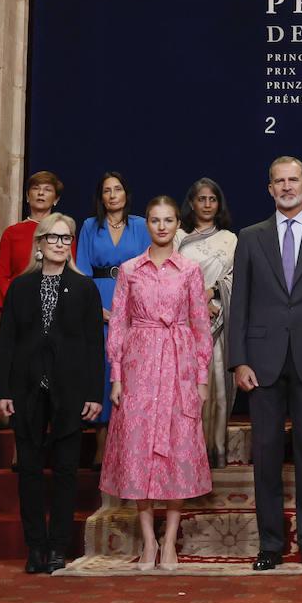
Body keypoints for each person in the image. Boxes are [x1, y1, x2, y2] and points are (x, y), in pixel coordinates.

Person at [228, 157, 302, 571]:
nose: (286, 186)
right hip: (261, 363)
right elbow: (239, 305)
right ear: (269, 188)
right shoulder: (249, 236)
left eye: (293, 179)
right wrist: (238, 361)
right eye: (278, 181)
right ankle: (270, 545)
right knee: (264, 455)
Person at [99, 196, 213, 569]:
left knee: (177, 450)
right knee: (139, 451)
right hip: (140, 366)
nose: (161, 226)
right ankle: (148, 540)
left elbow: (200, 325)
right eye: (154, 220)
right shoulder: (130, 269)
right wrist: (116, 375)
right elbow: (118, 324)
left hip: (178, 365)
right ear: (145, 224)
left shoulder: (189, 269)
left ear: (177, 224)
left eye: (168, 220)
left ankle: (169, 540)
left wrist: (201, 378)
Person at [0, 213, 103, 574]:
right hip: (26, 391)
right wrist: (2, 390)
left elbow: (92, 345)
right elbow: (7, 341)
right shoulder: (21, 288)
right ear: (39, 243)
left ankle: (58, 547)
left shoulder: (85, 287)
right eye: (53, 237)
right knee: (29, 470)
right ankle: (35, 547)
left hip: (70, 391)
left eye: (66, 237)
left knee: (67, 470)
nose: (60, 243)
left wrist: (93, 393)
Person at [75, 171, 151, 426]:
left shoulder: (141, 225)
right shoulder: (89, 226)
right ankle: (100, 434)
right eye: (107, 190)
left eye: (117, 189)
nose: (112, 195)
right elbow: (82, 271)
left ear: (126, 194)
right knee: (103, 365)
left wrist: (134, 309)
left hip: (134, 303)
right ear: (101, 197)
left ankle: (128, 431)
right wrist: (94, 308)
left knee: (130, 368)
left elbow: (148, 270)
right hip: (98, 299)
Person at [175, 178, 238, 467]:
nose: (207, 205)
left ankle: (216, 451)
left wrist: (213, 295)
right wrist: (195, 304)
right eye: (201, 199)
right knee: (187, 392)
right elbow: (170, 277)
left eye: (212, 199)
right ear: (192, 203)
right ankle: (187, 455)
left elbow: (236, 277)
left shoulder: (230, 239)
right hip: (184, 325)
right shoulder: (178, 237)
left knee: (218, 390)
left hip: (220, 322)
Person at [0, 171, 64, 315]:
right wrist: (17, 304)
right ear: (28, 197)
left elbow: (70, 273)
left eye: (47, 189)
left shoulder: (64, 232)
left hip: (55, 312)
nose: (41, 193)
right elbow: (2, 277)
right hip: (18, 308)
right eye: (35, 188)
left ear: (56, 199)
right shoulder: (11, 233)